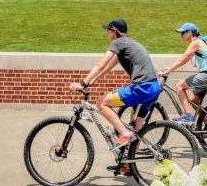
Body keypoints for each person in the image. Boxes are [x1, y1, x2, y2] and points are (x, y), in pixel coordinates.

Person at [69, 18, 161, 149]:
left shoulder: (118, 42)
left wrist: (83, 83)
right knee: (136, 129)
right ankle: (128, 166)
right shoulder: (129, 43)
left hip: (141, 88)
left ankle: (123, 133)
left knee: (101, 103)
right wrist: (94, 79)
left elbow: (101, 64)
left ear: (115, 31)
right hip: (154, 88)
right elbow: (108, 66)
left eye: (108, 30)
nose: (107, 33)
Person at [158, 22, 207, 125]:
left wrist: (168, 71)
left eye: (182, 33)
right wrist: (170, 67)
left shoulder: (196, 43)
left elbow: (182, 60)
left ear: (189, 33)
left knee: (179, 86)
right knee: (193, 101)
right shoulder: (200, 42)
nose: (181, 36)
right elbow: (186, 59)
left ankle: (188, 116)